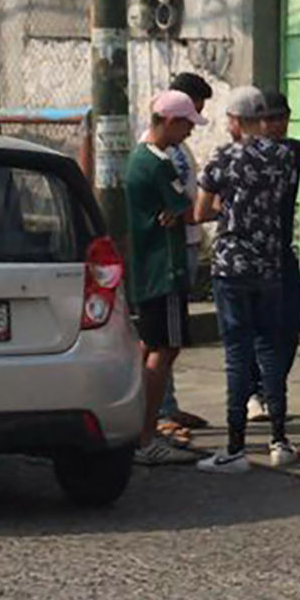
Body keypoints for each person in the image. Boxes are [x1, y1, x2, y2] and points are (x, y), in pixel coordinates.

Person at [194, 86, 300, 473]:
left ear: (236, 122)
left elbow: (200, 210)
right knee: (270, 349)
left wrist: (228, 205)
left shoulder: (223, 157)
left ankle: (236, 446)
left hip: (231, 266)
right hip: (269, 263)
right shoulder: (283, 156)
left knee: (237, 353)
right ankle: (279, 439)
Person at [124, 89, 208, 466]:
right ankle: (146, 434)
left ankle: (139, 427)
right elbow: (188, 210)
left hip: (146, 268)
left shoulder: (140, 158)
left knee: (149, 348)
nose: (190, 132)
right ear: (171, 122)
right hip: (165, 267)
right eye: (188, 124)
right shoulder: (158, 163)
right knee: (165, 350)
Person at [247, 89, 300, 419]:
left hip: (281, 253)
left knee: (289, 327)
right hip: (246, 255)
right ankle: (252, 393)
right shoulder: (241, 157)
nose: (275, 125)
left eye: (281, 118)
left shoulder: (293, 152)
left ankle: (271, 390)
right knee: (251, 329)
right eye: (268, 119)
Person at [157, 72, 215, 442]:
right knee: (164, 337)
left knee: (173, 335)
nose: (196, 123)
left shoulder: (179, 146)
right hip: (173, 246)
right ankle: (160, 410)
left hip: (188, 241)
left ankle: (168, 403)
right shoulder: (164, 149)